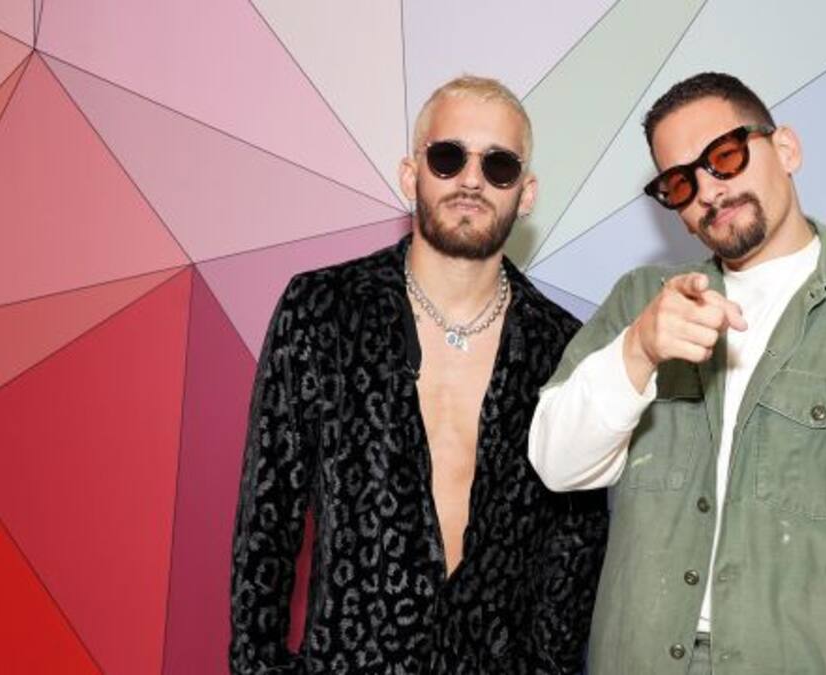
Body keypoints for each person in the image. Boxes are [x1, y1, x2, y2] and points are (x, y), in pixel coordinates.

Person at [528, 72, 826, 674]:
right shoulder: (642, 303)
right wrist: (638, 351)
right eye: (681, 182)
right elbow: (558, 463)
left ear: (786, 149)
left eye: (725, 156)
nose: (709, 190)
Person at [230, 75, 608, 674]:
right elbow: (267, 520)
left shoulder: (562, 347)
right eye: (448, 157)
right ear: (412, 176)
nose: (471, 180)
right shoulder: (323, 310)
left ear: (526, 193)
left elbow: (576, 544)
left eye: (499, 165)